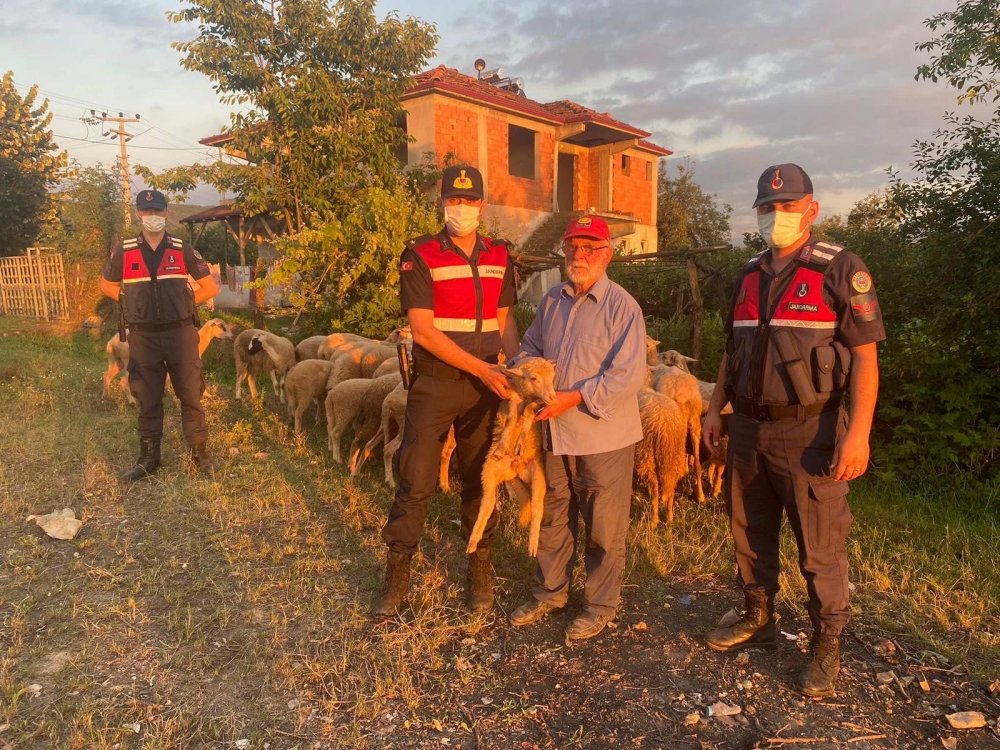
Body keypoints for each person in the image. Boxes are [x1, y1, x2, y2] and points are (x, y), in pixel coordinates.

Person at [702, 164, 885, 697]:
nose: (776, 216)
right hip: (748, 429)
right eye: (767, 207)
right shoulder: (747, 275)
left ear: (811, 209)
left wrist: (859, 435)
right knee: (749, 533)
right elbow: (730, 353)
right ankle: (757, 618)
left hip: (814, 432)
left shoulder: (840, 269)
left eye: (786, 206)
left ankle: (825, 646)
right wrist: (716, 409)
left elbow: (867, 360)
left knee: (820, 548)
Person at [375, 164, 519, 617]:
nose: (462, 208)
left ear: (483, 204)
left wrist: (511, 373)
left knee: (480, 479)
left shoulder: (500, 253)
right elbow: (423, 330)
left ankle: (480, 573)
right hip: (436, 382)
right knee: (415, 479)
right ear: (442, 203)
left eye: (470, 200)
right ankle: (397, 579)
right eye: (454, 200)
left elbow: (505, 321)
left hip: (488, 388)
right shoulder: (420, 254)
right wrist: (483, 368)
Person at [507, 215, 647, 641]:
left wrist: (574, 397)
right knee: (553, 515)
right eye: (572, 248)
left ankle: (599, 605)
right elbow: (530, 346)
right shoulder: (552, 301)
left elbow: (627, 374)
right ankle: (550, 592)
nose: (579, 256)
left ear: (607, 254)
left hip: (602, 434)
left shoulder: (623, 307)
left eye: (589, 248)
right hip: (553, 433)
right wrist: (521, 371)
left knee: (603, 525)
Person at [100, 189, 221, 481]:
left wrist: (184, 304)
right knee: (147, 396)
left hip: (180, 333)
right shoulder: (124, 250)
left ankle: (199, 454)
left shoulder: (183, 248)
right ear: (139, 213)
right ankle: (148, 459)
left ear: (166, 212)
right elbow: (105, 285)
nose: (152, 216)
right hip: (143, 337)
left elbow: (211, 288)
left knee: (191, 394)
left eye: (157, 211)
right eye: (147, 211)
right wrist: (130, 303)